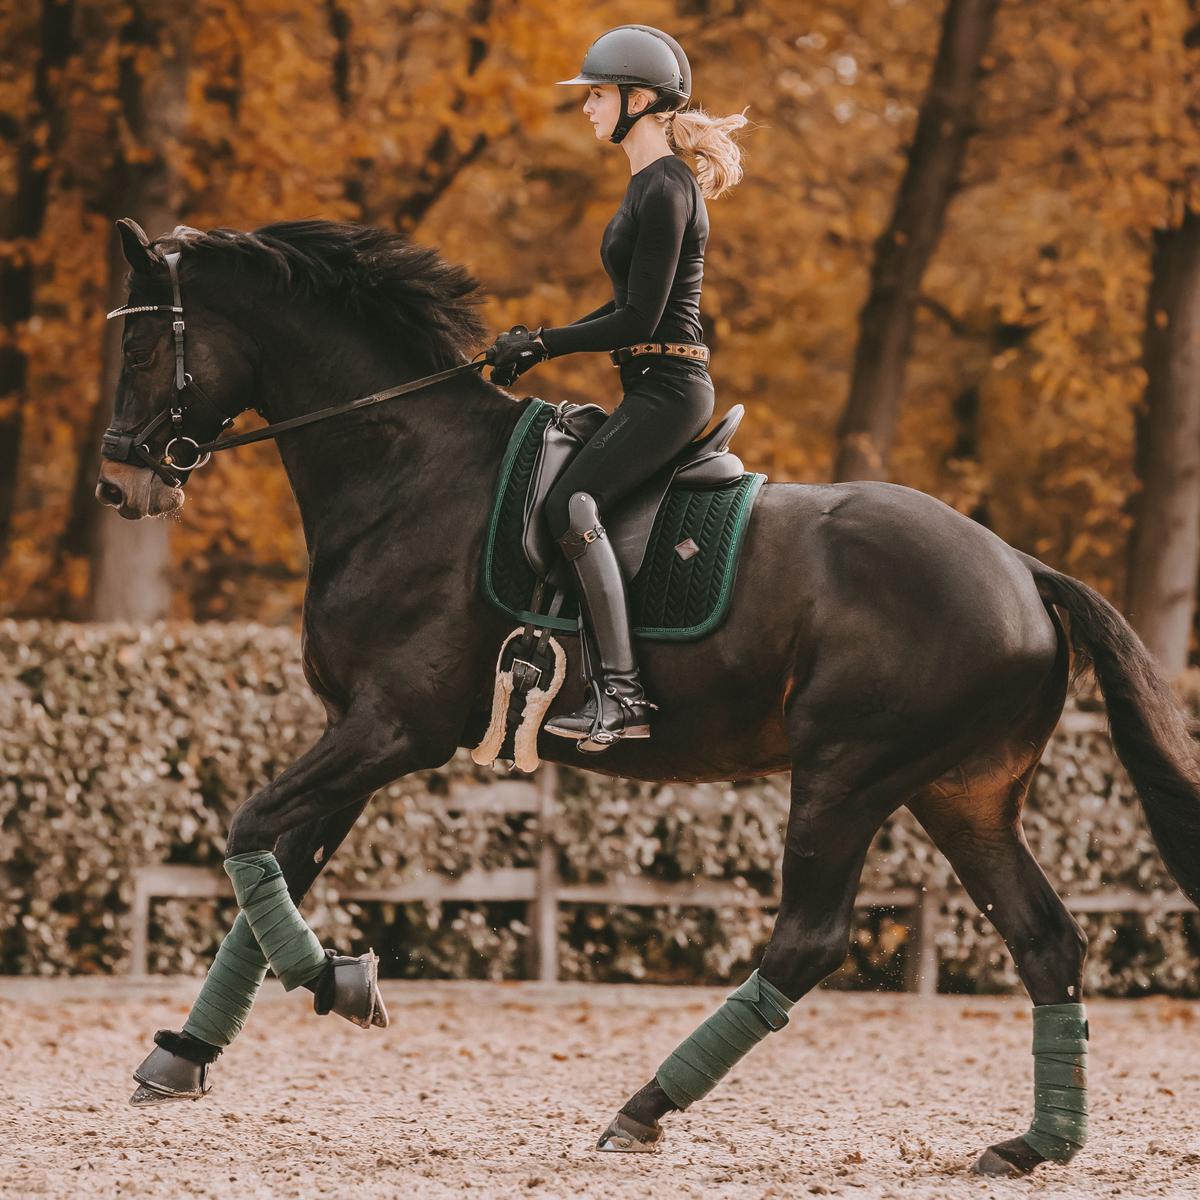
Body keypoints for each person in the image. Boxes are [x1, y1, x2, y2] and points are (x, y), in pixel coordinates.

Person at [485, 24, 749, 753]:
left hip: (671, 388)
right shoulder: (647, 186)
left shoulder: (665, 188)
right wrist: (532, 343)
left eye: (597, 94)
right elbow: (624, 306)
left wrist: (545, 343)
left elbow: (639, 319)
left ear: (639, 101)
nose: (587, 107)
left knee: (572, 507)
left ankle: (623, 695)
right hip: (652, 383)